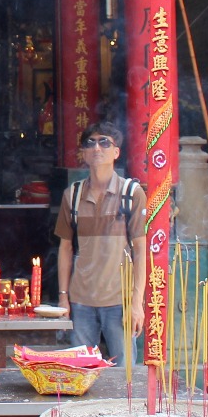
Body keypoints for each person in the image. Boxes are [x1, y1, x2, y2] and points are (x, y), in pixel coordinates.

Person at [54, 121, 146, 360]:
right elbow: (65, 248)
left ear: (116, 152)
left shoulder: (131, 193)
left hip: (119, 300)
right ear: (83, 152)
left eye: (104, 142)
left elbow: (141, 251)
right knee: (80, 370)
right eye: (90, 143)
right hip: (81, 300)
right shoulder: (72, 195)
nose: (97, 148)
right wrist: (63, 297)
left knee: (123, 375)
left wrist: (136, 302)